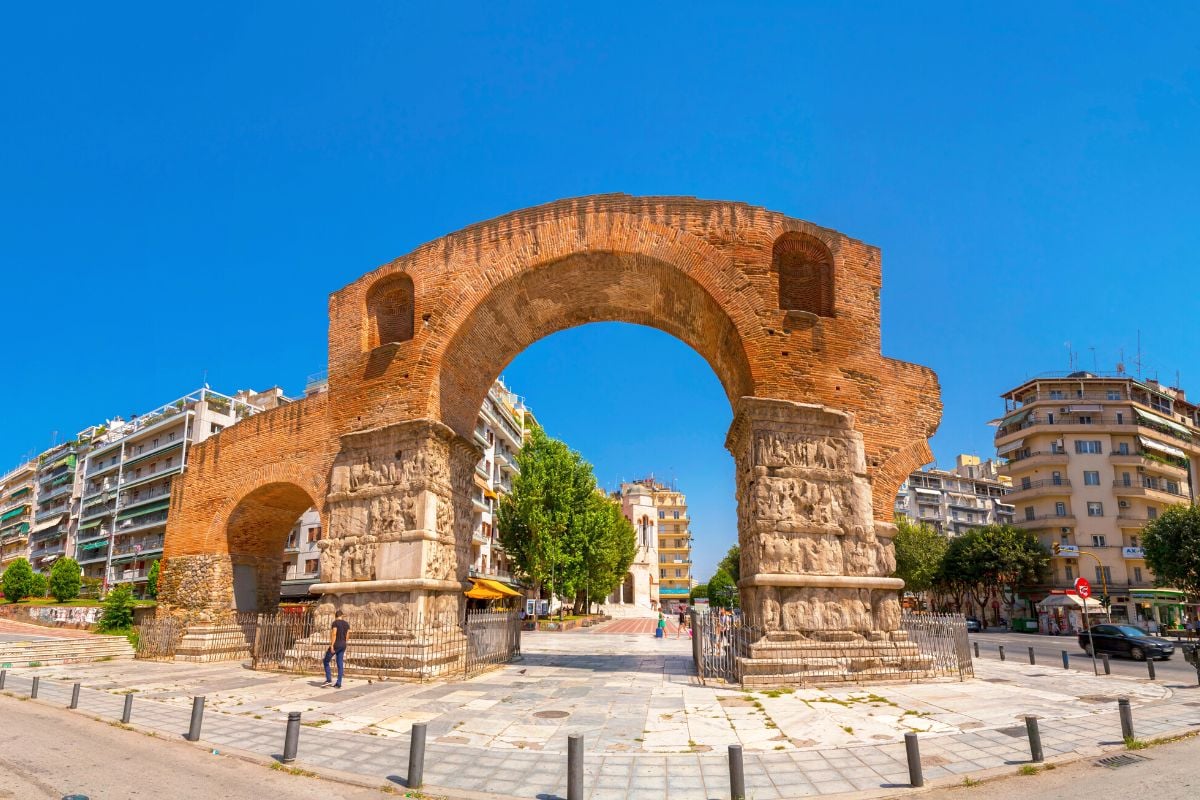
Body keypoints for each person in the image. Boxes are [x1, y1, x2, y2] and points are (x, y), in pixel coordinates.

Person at [322, 610, 350, 688]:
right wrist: (343, 642)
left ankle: (328, 680)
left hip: (336, 644)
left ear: (335, 616)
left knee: (326, 661)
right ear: (342, 615)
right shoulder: (346, 624)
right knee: (340, 663)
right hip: (343, 644)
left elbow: (334, 633)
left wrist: (332, 645)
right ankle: (339, 683)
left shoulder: (335, 623)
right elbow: (347, 636)